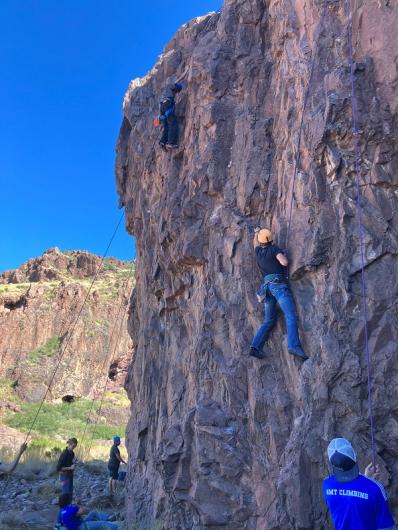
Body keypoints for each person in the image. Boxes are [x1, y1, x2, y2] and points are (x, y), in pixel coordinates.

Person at [249, 227, 308, 360]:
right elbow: (284, 262)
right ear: (270, 239)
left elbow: (255, 243)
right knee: (290, 315)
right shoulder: (274, 249)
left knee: (268, 320)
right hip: (278, 286)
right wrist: (284, 256)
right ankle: (293, 345)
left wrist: (256, 233)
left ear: (260, 241)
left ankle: (255, 346)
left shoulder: (258, 252)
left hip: (266, 289)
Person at [323, 438, 396, 530]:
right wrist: (368, 481)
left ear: (332, 463)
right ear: (354, 456)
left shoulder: (327, 485)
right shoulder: (375, 488)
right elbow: (387, 527)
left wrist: (366, 480)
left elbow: (349, 502)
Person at [158, 80, 183, 150]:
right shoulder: (170, 85)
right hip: (167, 105)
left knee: (167, 126)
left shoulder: (164, 91)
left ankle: (162, 142)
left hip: (162, 107)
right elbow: (178, 87)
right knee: (173, 123)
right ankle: (170, 143)